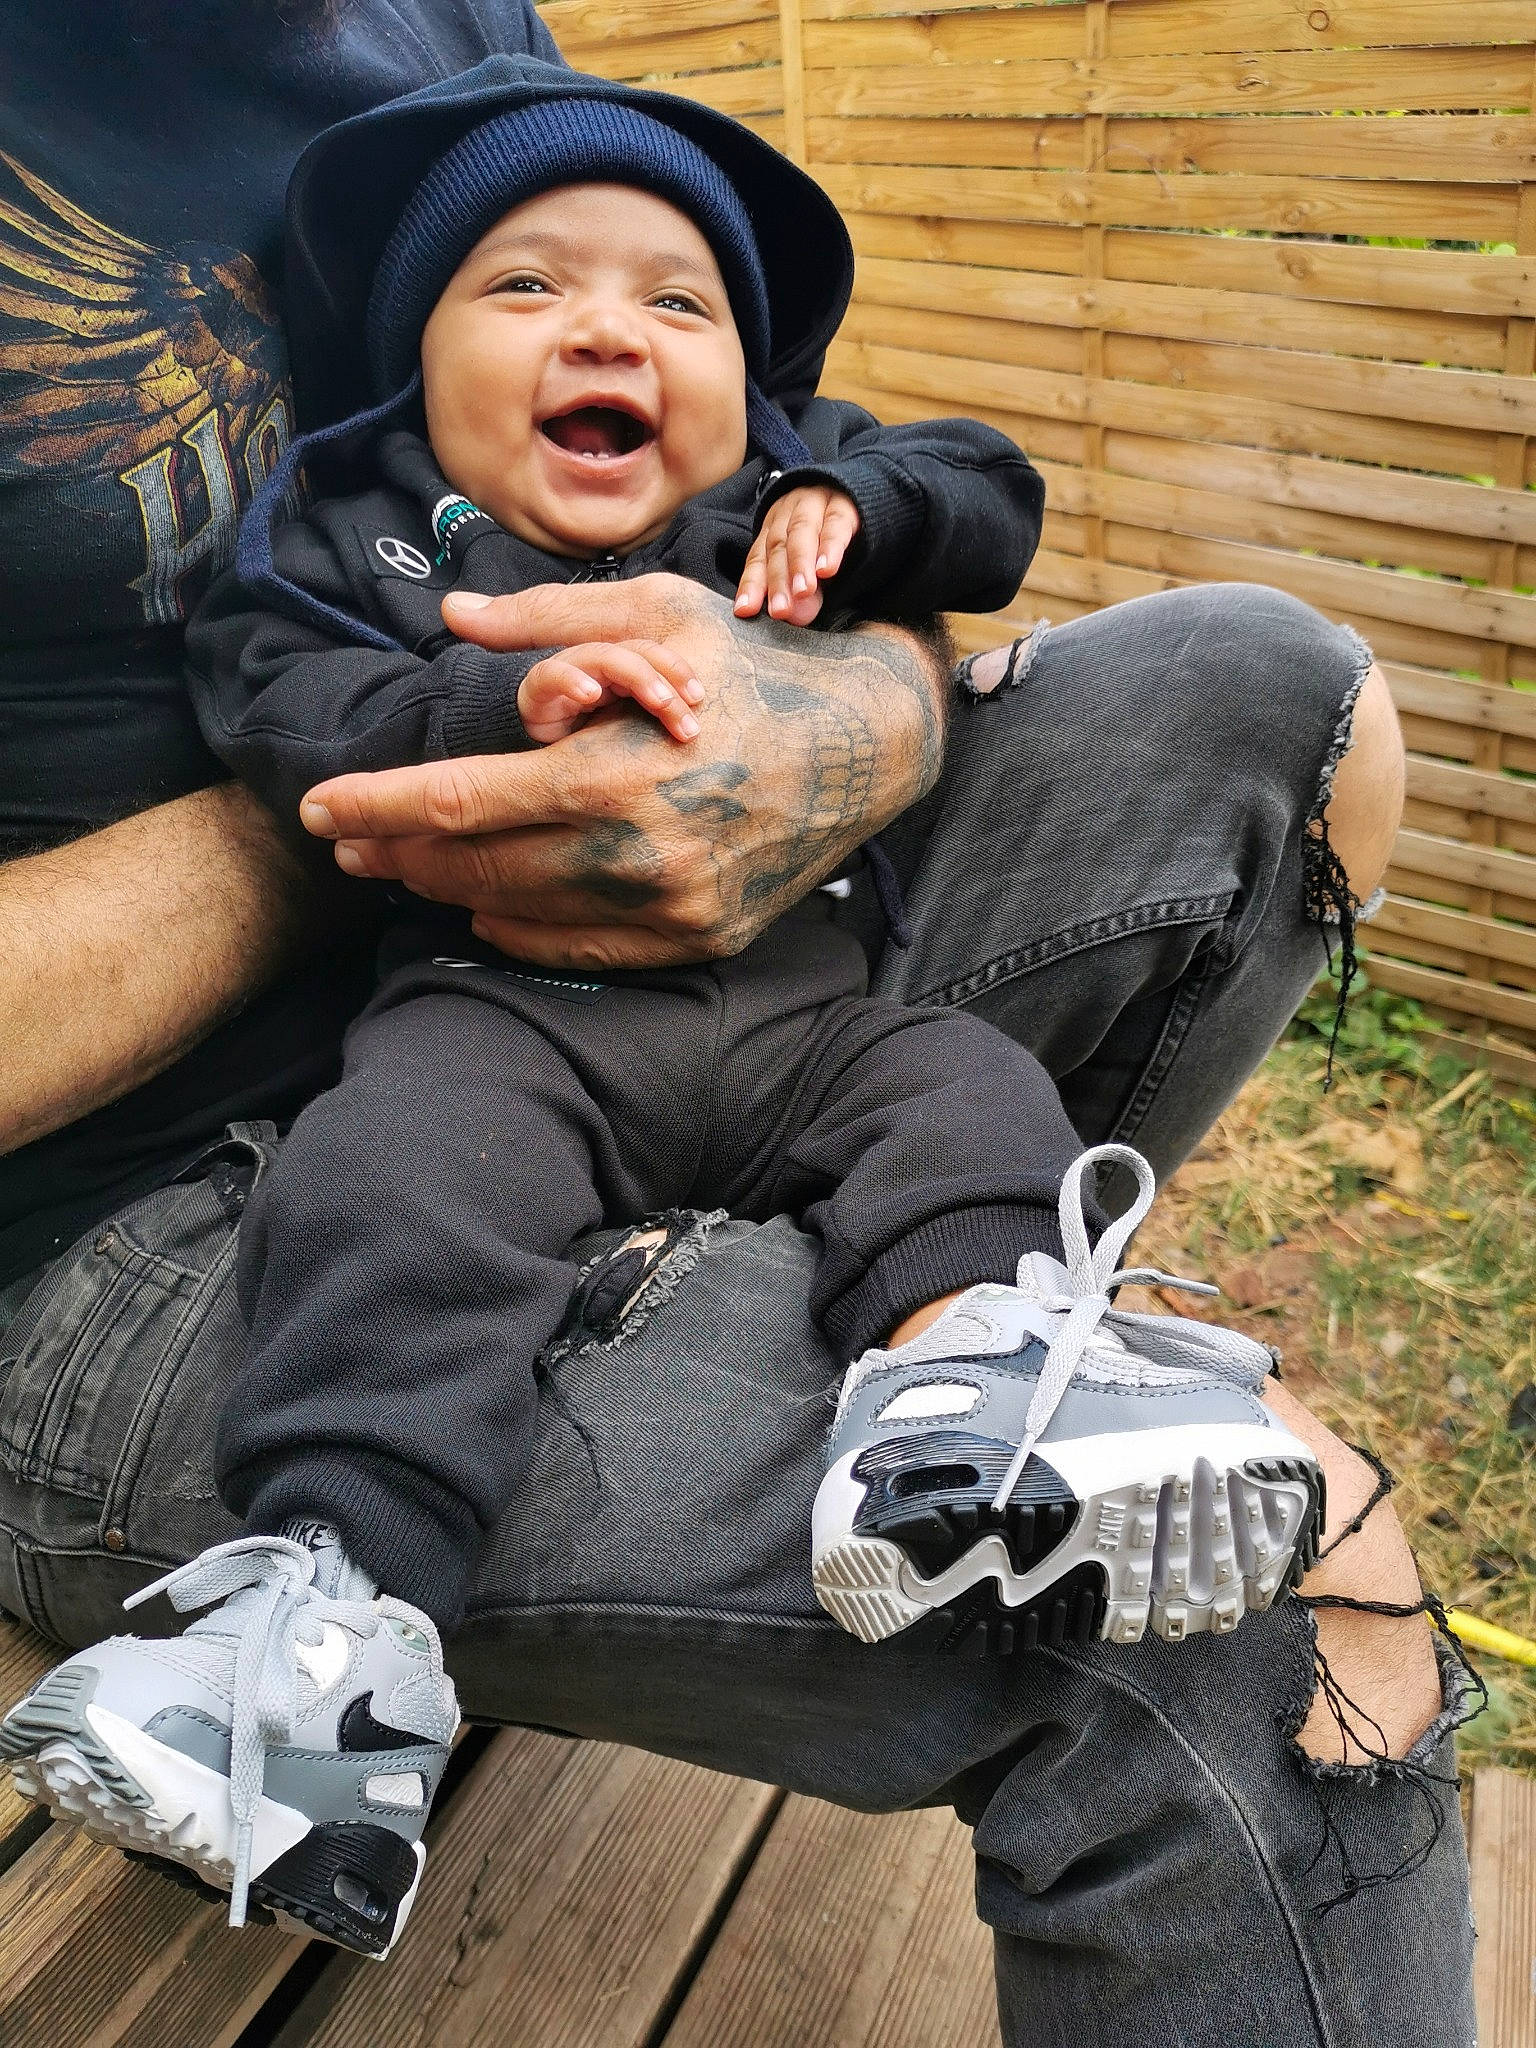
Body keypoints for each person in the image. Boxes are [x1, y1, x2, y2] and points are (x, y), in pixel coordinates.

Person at [0, 4, 1476, 2040]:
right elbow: (288, 694)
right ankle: (318, 1625)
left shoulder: (678, 354)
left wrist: (847, 666)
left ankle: (975, 1346)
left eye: (676, 303)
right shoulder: (362, 530)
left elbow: (972, 490)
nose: (606, 327)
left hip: (788, 1007)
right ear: (402, 365)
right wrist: (474, 767)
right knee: (1193, 1597)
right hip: (284, 1125)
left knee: (992, 1045)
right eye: (522, 286)